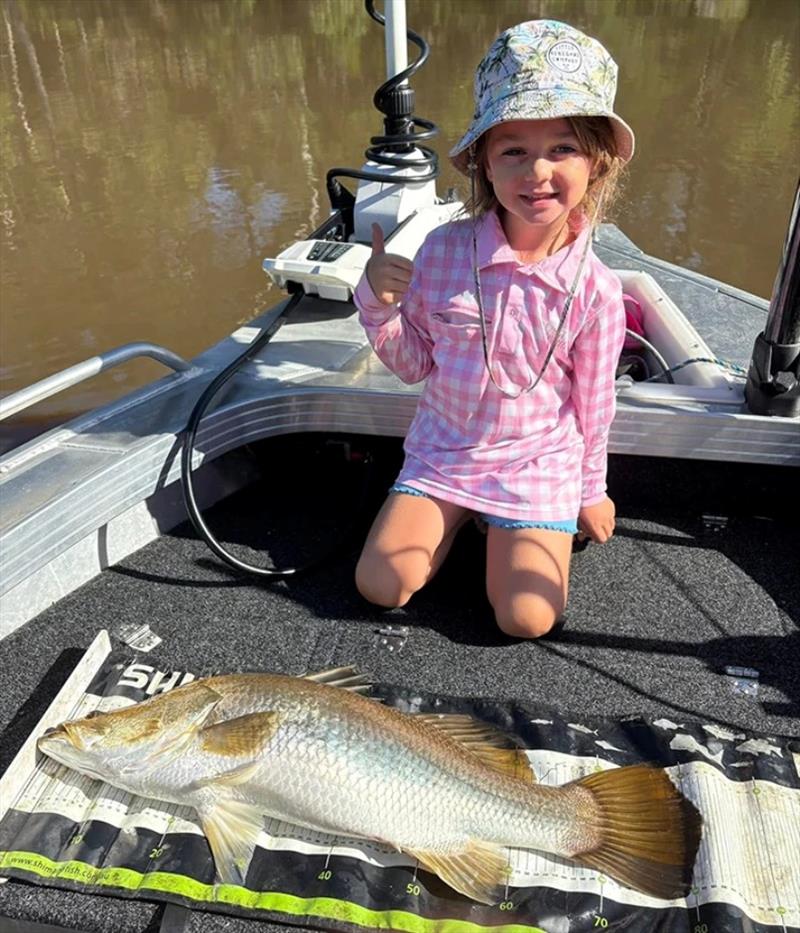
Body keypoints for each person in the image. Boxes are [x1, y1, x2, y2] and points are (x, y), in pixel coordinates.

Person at [353, 20, 634, 638]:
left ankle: (505, 525)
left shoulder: (597, 290)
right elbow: (414, 364)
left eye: (563, 148)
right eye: (513, 151)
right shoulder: (441, 249)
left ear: (597, 162)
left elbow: (595, 405)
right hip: (445, 451)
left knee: (527, 618)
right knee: (380, 585)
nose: (537, 171)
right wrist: (376, 303)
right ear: (482, 159)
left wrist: (591, 490)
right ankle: (457, 515)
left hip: (538, 463)